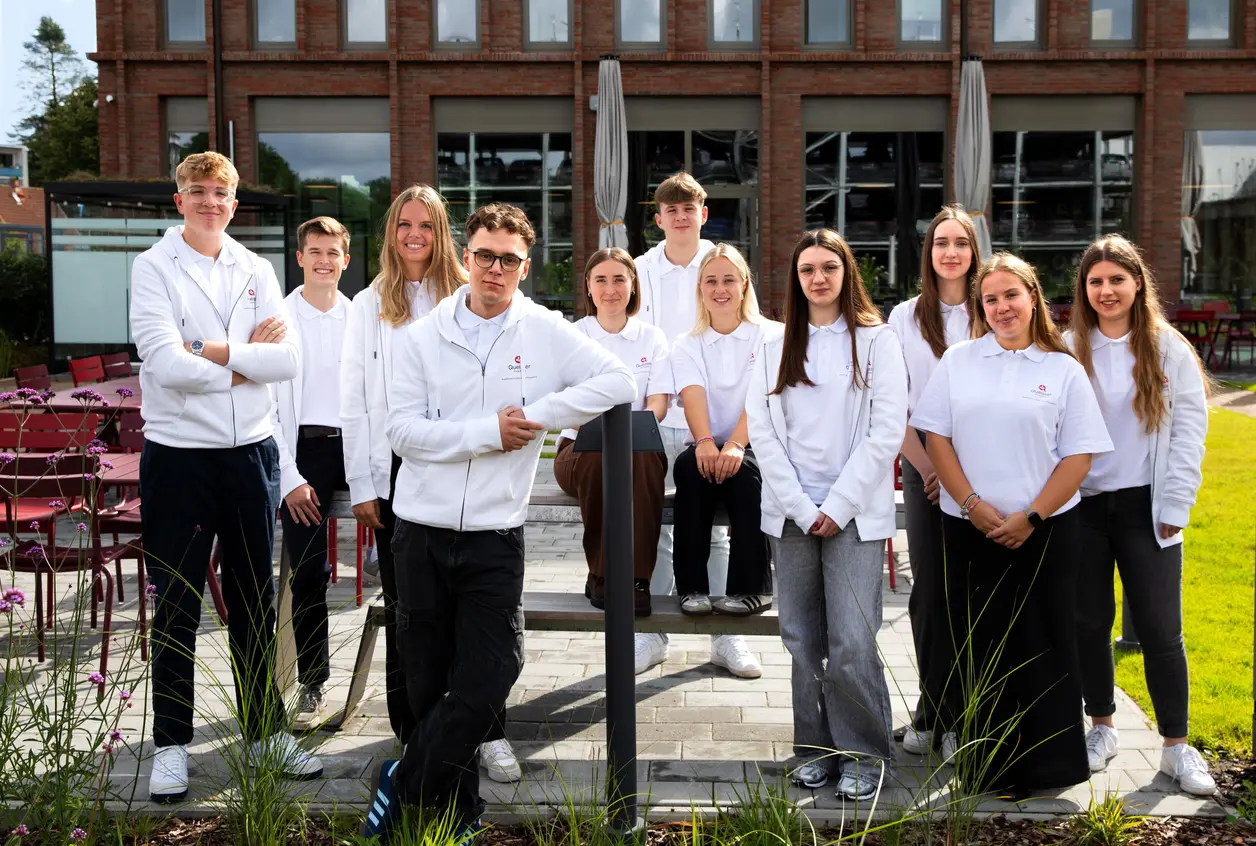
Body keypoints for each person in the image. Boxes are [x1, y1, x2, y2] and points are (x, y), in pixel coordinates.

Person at [361, 203, 636, 840]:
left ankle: (401, 781)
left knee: (492, 672)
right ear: (467, 255)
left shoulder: (542, 330)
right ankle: (459, 816)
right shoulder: (420, 336)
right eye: (485, 255)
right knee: (430, 682)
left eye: (509, 259)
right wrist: (491, 432)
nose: (495, 268)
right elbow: (403, 433)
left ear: (524, 265)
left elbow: (618, 379)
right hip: (421, 533)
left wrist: (538, 414)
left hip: (495, 536)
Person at [129, 151, 322, 802]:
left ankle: (265, 732)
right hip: (178, 457)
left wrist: (208, 352)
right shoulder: (152, 268)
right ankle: (172, 745)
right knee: (177, 604)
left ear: (234, 204)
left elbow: (290, 360)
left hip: (250, 456)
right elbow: (162, 363)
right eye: (198, 190)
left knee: (255, 603)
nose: (210, 201)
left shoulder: (257, 269)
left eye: (221, 192)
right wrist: (246, 362)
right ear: (177, 199)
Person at [908, 252, 1113, 797]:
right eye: (990, 299)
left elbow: (1079, 456)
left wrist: (1032, 515)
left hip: (1045, 531)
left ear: (1033, 299)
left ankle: (1048, 770)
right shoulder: (958, 360)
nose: (1001, 307)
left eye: (1011, 296)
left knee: (1044, 643)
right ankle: (985, 768)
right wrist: (971, 503)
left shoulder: (1062, 367)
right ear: (981, 307)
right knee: (979, 645)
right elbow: (937, 437)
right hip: (968, 527)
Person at [340, 185, 523, 782]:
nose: (414, 234)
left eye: (426, 224)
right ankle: (416, 736)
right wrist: (363, 483)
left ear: (445, 235)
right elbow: (356, 402)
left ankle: (485, 730)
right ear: (390, 233)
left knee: (478, 621)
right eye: (403, 224)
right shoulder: (368, 305)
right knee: (413, 618)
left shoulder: (469, 295)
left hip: (474, 465)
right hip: (400, 469)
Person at [747, 230, 907, 800]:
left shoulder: (877, 342)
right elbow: (761, 433)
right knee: (800, 637)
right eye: (808, 269)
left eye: (829, 268)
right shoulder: (771, 346)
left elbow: (886, 430)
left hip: (854, 514)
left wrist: (836, 506)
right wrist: (800, 504)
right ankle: (813, 749)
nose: (818, 278)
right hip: (791, 512)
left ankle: (864, 754)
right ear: (796, 277)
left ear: (847, 273)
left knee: (852, 640)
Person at [1066, 235, 1214, 796]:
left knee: (1159, 629)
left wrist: (1175, 504)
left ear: (1136, 285)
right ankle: (1101, 727)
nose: (1106, 290)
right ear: (1084, 289)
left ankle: (1176, 747)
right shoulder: (1066, 347)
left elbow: (1189, 432)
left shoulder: (1166, 347)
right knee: (1089, 623)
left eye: (1117, 280)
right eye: (1096, 281)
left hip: (1147, 507)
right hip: (1082, 509)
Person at [633, 173, 760, 679]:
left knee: (720, 530)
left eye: (690, 207)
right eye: (671, 209)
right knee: (659, 529)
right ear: (658, 218)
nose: (681, 216)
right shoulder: (639, 270)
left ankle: (726, 636)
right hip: (663, 413)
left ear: (703, 213)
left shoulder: (721, 264)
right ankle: (653, 636)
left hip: (720, 424)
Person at [885, 205, 978, 758]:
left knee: (977, 594)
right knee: (932, 595)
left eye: (960, 243)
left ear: (973, 251)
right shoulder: (904, 318)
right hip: (924, 468)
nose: (950, 252)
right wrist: (928, 469)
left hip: (986, 465)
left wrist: (961, 475)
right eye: (940, 242)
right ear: (929, 253)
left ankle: (970, 716)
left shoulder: (992, 308)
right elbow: (892, 406)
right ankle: (932, 710)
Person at [553, 248, 671, 617]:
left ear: (632, 285)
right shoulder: (571, 336)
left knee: (639, 460)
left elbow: (659, 403)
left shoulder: (652, 338)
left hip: (638, 452)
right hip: (578, 452)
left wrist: (630, 431)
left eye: (619, 278)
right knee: (599, 455)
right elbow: (561, 405)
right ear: (588, 287)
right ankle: (602, 575)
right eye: (600, 279)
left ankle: (637, 581)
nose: (610, 288)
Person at [270, 216, 354, 730]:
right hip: (303, 451)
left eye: (333, 252)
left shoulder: (360, 315)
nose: (324, 260)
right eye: (315, 251)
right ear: (299, 258)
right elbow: (267, 408)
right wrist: (289, 474)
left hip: (359, 446)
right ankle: (313, 679)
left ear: (346, 260)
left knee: (406, 560)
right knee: (307, 572)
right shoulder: (278, 318)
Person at [669, 244, 779, 626]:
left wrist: (735, 444)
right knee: (689, 472)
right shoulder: (687, 343)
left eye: (729, 280)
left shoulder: (771, 337)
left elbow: (762, 398)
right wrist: (704, 443)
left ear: (745, 284)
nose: (720, 289)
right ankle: (692, 589)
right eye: (711, 281)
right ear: (700, 289)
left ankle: (752, 589)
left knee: (749, 478)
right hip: (704, 442)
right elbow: (692, 394)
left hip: (754, 443)